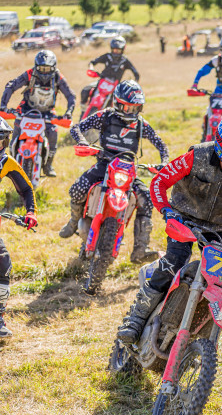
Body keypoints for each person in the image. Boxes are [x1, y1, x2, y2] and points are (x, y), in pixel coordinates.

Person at [116, 112, 222, 344]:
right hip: (184, 219)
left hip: (219, 229)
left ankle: (200, 339)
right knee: (175, 261)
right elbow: (160, 181)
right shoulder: (197, 156)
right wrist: (167, 211)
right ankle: (136, 318)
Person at [61, 81, 169, 264]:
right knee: (77, 189)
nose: (131, 112)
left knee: (147, 200)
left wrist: (164, 163)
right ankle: (73, 223)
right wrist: (82, 142)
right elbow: (76, 127)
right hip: (104, 164)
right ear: (117, 103)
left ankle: (140, 250)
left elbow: (161, 144)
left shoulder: (141, 124)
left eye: (135, 108)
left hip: (128, 170)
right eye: (127, 107)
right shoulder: (105, 115)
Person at [1, 50, 75, 178]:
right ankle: (11, 159)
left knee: (52, 133)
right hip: (26, 109)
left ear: (54, 67)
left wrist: (69, 112)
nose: (44, 72)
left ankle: (48, 165)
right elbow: (11, 86)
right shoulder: (29, 74)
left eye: (47, 69)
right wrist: (3, 105)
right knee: (16, 132)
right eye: (41, 68)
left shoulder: (58, 77)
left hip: (48, 112)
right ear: (36, 66)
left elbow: (70, 95)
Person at [0, 116, 38, 339]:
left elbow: (26, 188)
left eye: (1, 142)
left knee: (3, 262)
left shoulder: (6, 162)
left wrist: (30, 211)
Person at [80, 37, 140, 117]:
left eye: (118, 50)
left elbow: (136, 73)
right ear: (111, 48)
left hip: (115, 86)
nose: (116, 52)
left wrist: (133, 83)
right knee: (85, 90)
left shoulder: (125, 61)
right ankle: (83, 110)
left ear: (123, 49)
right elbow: (92, 62)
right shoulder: (107, 56)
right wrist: (91, 68)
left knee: (120, 104)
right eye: (115, 50)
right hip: (102, 82)